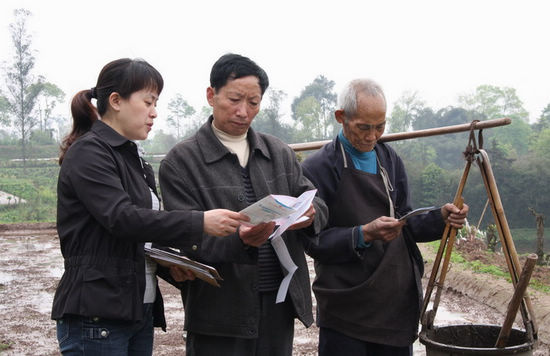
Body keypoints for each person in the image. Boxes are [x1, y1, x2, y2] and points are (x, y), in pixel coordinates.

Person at [52, 58, 249, 356]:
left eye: (156, 102)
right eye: (147, 102)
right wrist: (200, 223)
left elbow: (140, 233)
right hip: (96, 314)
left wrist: (171, 265)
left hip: (134, 309)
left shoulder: (133, 159)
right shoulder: (90, 153)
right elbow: (122, 219)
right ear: (116, 101)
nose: (154, 112)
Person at [159, 53, 328, 356]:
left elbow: (314, 200)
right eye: (234, 99)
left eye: (253, 103)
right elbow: (184, 236)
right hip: (218, 311)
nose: (243, 111)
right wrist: (238, 240)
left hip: (278, 301)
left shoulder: (278, 152)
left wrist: (312, 213)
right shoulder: (182, 162)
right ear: (211, 95)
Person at [301, 78, 469, 356]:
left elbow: (406, 222)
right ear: (341, 117)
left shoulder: (389, 160)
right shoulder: (318, 168)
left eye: (380, 127)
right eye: (363, 127)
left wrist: (441, 218)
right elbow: (313, 242)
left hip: (394, 305)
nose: (371, 136)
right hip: (345, 307)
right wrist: (362, 234)